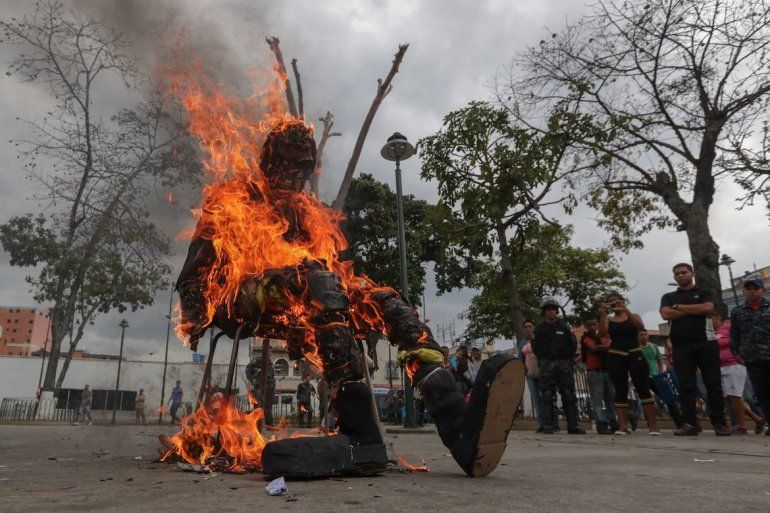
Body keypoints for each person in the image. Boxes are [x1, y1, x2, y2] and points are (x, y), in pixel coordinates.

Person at [176, 120, 524, 477]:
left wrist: (359, 294)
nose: (294, 173)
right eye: (286, 162)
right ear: (267, 161)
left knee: (387, 303)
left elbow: (335, 271)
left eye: (303, 166)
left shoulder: (309, 212)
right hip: (237, 298)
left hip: (307, 296)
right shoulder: (232, 200)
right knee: (320, 283)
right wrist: (196, 317)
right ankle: (360, 434)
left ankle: (458, 428)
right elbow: (193, 275)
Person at [660, 263, 729, 436]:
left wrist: (679, 307)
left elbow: (708, 308)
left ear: (692, 273)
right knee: (686, 385)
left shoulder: (705, 292)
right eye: (677, 273)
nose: (681, 275)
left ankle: (719, 423)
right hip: (681, 344)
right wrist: (694, 309)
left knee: (713, 384)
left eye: (684, 272)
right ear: (674, 277)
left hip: (705, 342)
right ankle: (690, 423)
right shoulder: (668, 296)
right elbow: (666, 314)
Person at [599, 293, 660, 435]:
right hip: (616, 355)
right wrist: (602, 315)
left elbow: (640, 326)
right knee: (620, 391)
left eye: (617, 301)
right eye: (611, 303)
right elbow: (602, 334)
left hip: (634, 353)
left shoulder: (633, 316)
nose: (615, 304)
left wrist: (626, 310)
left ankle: (653, 426)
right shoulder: (608, 320)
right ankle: (622, 427)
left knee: (643, 389)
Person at [532, 297, 585, 435]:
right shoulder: (539, 329)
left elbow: (572, 344)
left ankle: (573, 425)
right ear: (543, 312)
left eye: (553, 309)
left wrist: (567, 359)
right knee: (547, 395)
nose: (551, 312)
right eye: (548, 310)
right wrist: (544, 358)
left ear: (557, 311)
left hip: (564, 363)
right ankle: (548, 425)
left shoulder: (565, 327)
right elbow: (535, 347)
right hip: (546, 363)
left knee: (568, 394)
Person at [712, 308, 764, 434]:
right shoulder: (709, 332)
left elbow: (738, 340)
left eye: (710, 319)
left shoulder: (728, 327)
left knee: (735, 395)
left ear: (718, 317)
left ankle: (741, 425)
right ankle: (757, 419)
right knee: (729, 398)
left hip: (733, 364)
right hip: (719, 367)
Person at [730, 277, 770, 436]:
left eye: (756, 288)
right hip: (752, 359)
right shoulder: (737, 312)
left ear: (763, 290)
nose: (752, 291)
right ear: (743, 292)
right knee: (761, 393)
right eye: (749, 288)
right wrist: (737, 354)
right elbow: (735, 335)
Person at [639, 329, 684, 429]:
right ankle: (650, 423)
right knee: (646, 402)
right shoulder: (636, 349)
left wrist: (660, 373)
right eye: (641, 334)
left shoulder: (653, 347)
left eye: (645, 334)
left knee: (669, 399)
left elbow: (659, 360)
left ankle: (679, 423)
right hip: (642, 378)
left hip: (656, 377)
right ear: (637, 336)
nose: (644, 336)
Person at [581, 318, 618, 434]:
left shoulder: (604, 338)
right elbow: (593, 348)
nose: (592, 327)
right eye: (589, 325)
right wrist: (610, 346)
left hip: (607, 371)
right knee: (597, 401)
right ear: (586, 327)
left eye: (594, 324)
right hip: (594, 372)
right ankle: (601, 424)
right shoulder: (586, 338)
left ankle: (613, 423)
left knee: (610, 400)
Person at [521, 320, 545, 432]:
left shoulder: (540, 339)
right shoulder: (522, 343)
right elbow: (520, 358)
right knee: (536, 399)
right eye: (525, 327)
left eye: (530, 326)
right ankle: (542, 423)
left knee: (544, 396)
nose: (528, 328)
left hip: (541, 371)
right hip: (529, 374)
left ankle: (550, 421)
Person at [245, 344, 276, 426]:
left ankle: (269, 424)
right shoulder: (258, 360)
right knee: (258, 406)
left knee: (268, 407)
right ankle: (255, 424)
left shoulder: (270, 363)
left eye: (270, 351)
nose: (269, 353)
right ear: (263, 352)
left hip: (270, 388)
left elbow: (272, 376)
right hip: (260, 387)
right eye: (267, 351)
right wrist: (252, 379)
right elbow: (248, 369)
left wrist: (273, 387)